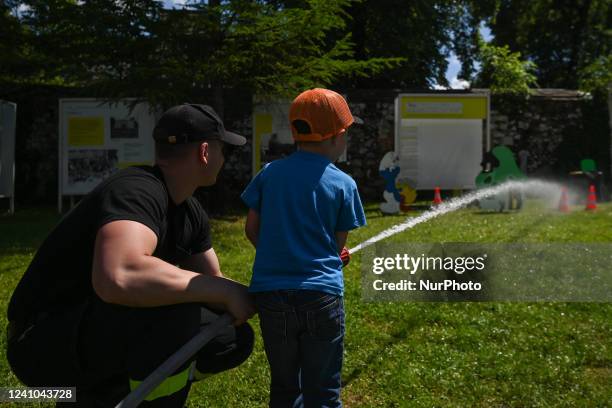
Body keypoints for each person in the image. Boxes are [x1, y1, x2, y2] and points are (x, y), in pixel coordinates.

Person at [6, 104, 256, 407]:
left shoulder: (190, 212)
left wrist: (264, 296)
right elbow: (120, 275)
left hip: (93, 330)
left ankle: (105, 392)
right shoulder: (135, 190)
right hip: (40, 342)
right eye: (223, 150)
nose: (224, 159)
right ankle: (103, 394)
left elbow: (213, 288)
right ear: (205, 151)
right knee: (175, 317)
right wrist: (224, 290)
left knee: (230, 336)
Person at [241, 88, 367, 408]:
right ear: (336, 137)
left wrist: (277, 253)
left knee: (285, 387)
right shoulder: (344, 184)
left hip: (272, 297)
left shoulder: (269, 174)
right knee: (323, 390)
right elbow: (337, 245)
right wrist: (329, 256)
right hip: (321, 297)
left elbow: (251, 230)